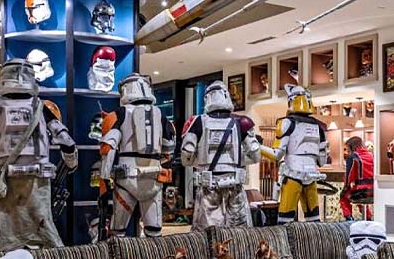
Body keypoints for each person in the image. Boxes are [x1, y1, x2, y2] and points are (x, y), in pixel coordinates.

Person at [0, 59, 77, 251]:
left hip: (2, 184)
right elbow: (67, 143)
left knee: (0, 239)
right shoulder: (41, 109)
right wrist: (71, 164)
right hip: (37, 184)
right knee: (44, 236)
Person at [99, 73, 175, 238]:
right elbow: (169, 149)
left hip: (126, 179)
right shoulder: (161, 116)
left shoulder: (119, 114)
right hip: (153, 180)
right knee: (154, 232)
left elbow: (108, 149)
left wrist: (104, 180)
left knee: (118, 232)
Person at [181, 80, 261, 231]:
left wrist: (200, 162)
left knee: (208, 234)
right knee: (239, 233)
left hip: (208, 188)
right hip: (234, 186)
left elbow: (186, 156)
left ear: (207, 98)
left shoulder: (197, 122)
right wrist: (237, 160)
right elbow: (256, 155)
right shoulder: (241, 122)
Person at [272, 84, 328, 224]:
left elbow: (276, 154)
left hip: (293, 175)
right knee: (314, 220)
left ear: (291, 101)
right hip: (311, 176)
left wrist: (257, 148)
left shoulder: (286, 123)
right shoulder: (319, 127)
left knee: (285, 221)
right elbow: (322, 160)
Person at [341, 136, 373, 221]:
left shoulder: (353, 157)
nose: (347, 152)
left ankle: (349, 219)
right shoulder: (371, 155)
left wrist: (346, 187)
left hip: (361, 190)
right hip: (373, 191)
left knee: (344, 196)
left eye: (348, 149)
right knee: (359, 197)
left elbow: (349, 176)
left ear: (352, 147)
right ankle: (368, 218)